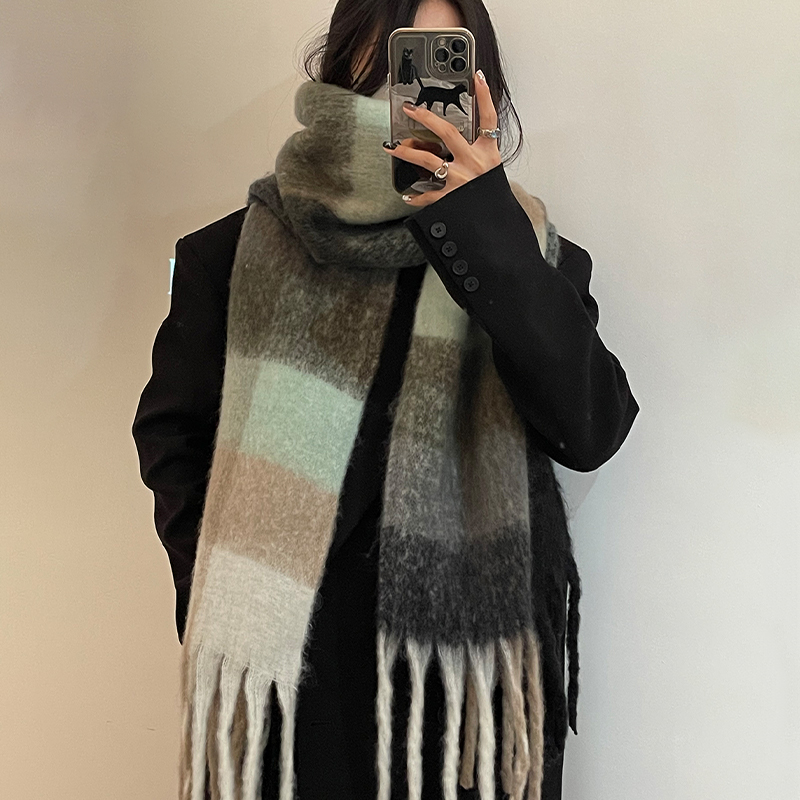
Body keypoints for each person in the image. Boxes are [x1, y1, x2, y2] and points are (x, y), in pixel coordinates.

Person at [132, 1, 639, 798]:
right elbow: (172, 437)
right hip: (300, 675)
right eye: (387, 65)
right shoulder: (228, 253)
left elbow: (591, 429)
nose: (406, 99)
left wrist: (486, 232)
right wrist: (228, 600)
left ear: (481, 89)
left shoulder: (530, 259)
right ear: (342, 73)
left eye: (437, 65)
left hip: (473, 693)